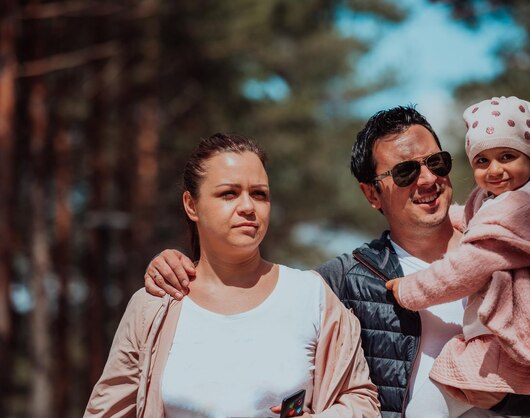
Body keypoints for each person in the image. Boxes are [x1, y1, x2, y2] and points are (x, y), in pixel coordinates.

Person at [144, 105, 530, 417]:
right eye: (405, 171)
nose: (428, 180)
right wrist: (181, 265)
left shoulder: (516, 246)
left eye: (437, 163)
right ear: (371, 194)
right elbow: (251, 304)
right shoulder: (341, 282)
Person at [84, 133, 380, 418]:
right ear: (191, 205)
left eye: (259, 194)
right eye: (229, 193)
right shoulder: (154, 306)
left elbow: (361, 402)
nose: (248, 207)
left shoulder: (311, 295)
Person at [385, 96, 530, 412]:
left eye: (507, 156)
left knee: (425, 408)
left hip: (506, 340)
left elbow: (461, 271)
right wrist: (443, 216)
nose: (495, 170)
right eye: (482, 161)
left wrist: (408, 289)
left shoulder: (514, 216)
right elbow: (476, 217)